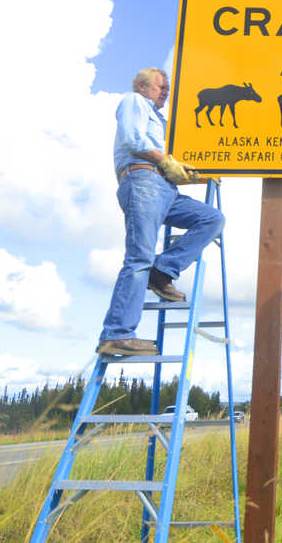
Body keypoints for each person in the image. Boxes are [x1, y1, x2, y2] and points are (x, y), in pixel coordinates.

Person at [96, 68, 225, 356]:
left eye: (167, 87)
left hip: (165, 189)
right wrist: (165, 161)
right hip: (143, 181)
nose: (165, 91)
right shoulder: (134, 102)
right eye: (160, 86)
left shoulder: (162, 119)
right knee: (139, 257)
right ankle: (117, 334)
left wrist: (184, 168)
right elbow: (133, 139)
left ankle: (162, 271)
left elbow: (167, 158)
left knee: (211, 218)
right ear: (142, 87)